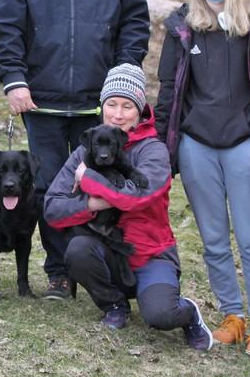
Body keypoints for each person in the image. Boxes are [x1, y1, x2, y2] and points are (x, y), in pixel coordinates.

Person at [0, 0, 150, 299]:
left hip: (97, 105)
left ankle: (99, 264)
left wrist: (122, 76)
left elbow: (136, 21)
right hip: (40, 100)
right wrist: (14, 79)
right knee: (48, 187)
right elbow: (5, 26)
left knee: (102, 183)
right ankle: (59, 271)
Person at [155, 0, 250, 357]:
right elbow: (168, 90)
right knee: (213, 239)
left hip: (245, 143)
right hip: (197, 145)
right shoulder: (182, 27)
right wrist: (163, 149)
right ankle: (232, 315)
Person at [44, 64, 213, 350]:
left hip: (150, 254)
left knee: (160, 315)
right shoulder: (85, 150)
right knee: (78, 249)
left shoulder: (154, 150)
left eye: (127, 106)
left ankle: (188, 313)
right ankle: (114, 304)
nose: (118, 114)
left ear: (140, 111)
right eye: (111, 104)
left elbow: (137, 197)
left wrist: (88, 178)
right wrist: (91, 203)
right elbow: (52, 208)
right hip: (108, 252)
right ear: (102, 107)